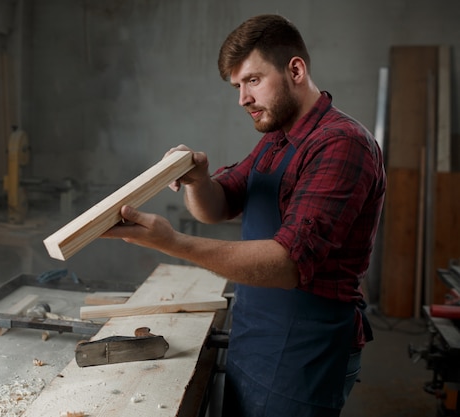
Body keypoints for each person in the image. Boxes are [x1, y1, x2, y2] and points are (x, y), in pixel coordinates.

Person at [102, 14, 386, 417]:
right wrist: (198, 179)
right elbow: (217, 206)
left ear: (296, 70)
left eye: (253, 80)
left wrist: (172, 243)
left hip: (306, 353)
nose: (243, 99)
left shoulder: (342, 144)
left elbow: (287, 264)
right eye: (237, 86)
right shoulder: (277, 137)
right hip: (254, 337)